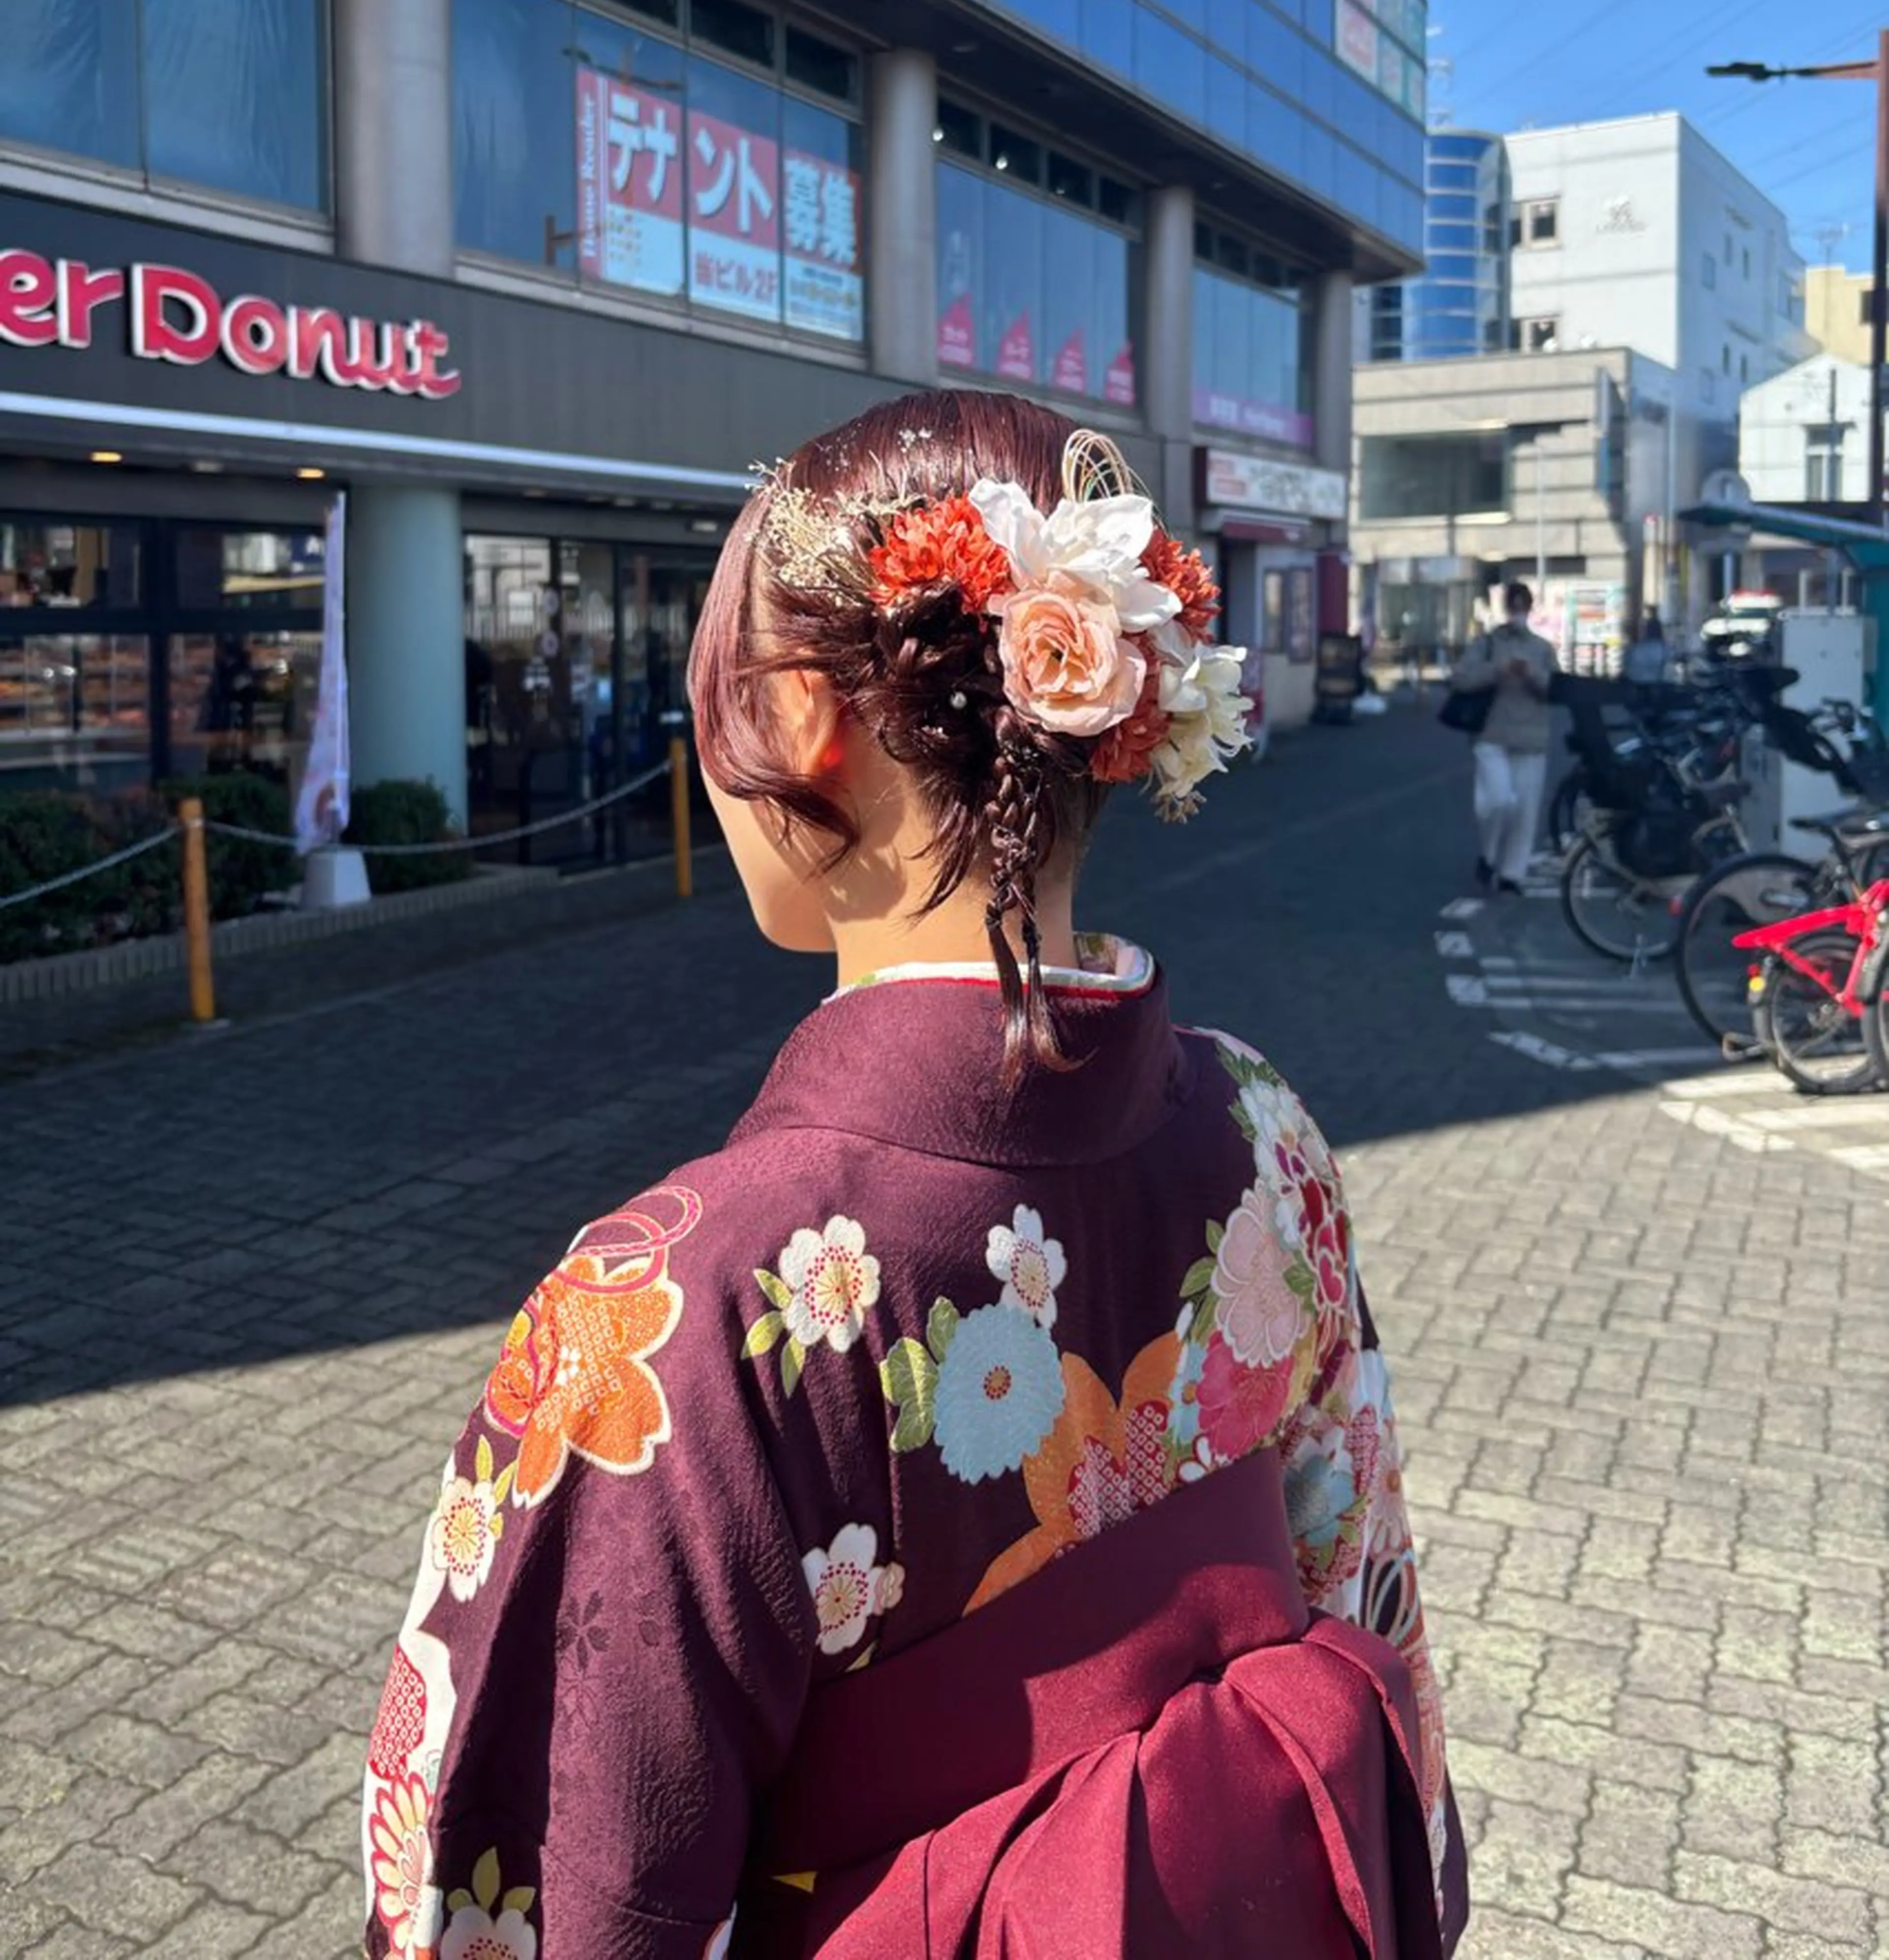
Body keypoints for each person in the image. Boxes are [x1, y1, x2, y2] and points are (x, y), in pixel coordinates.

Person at [361, 390, 1467, 1960]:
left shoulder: (682, 1304)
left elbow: (517, 1891)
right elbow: (1360, 1592)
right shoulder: (1259, 1127)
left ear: (807, 710)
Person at [1450, 579, 1557, 895]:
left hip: (1532, 736)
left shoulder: (1542, 648)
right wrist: (1498, 669)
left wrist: (1532, 675)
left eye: (1524, 605)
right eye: (1515, 605)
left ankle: (1512, 874)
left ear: (1531, 608)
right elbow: (1461, 679)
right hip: (1491, 733)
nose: (1519, 611)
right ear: (1506, 607)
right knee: (1499, 801)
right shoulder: (1487, 643)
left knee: (1525, 809)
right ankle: (1488, 854)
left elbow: (1554, 689)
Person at [1622, 608, 1669, 685]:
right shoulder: (1663, 648)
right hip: (1656, 684)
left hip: (1635, 683)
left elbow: (1626, 666)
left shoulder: (1635, 649)